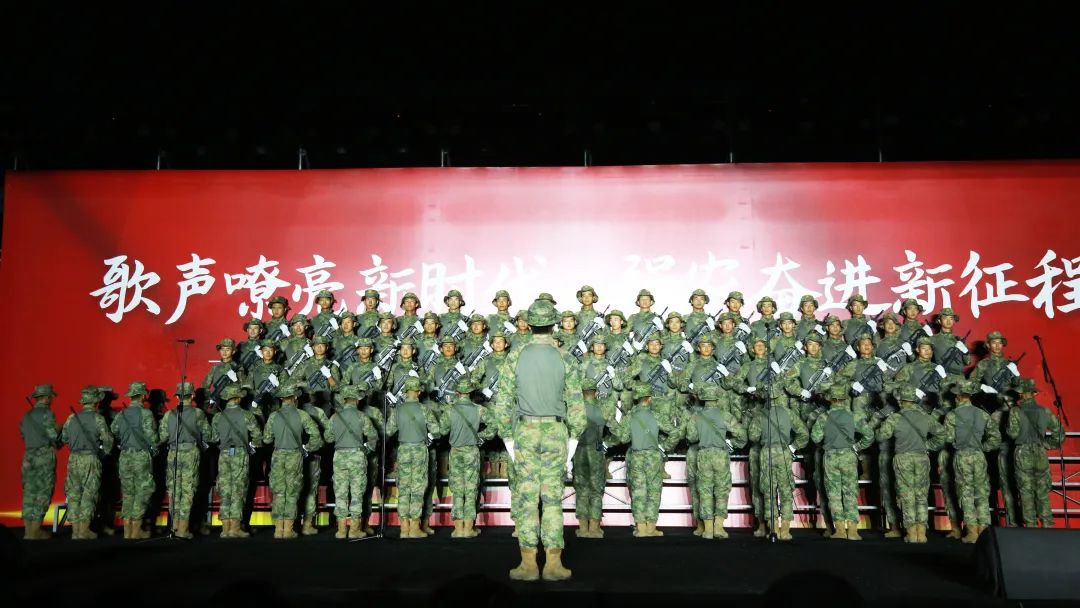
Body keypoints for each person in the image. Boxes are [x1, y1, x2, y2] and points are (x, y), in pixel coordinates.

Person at [494, 298, 586, 582]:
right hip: (556, 432)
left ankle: (529, 564)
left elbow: (502, 403)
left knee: (527, 499)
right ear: (553, 324)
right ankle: (554, 564)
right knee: (553, 500)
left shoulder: (516, 356)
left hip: (525, 431)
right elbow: (577, 406)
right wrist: (572, 441)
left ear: (530, 324)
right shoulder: (565, 357)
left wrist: (508, 439)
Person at [875, 386, 945, 543]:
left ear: (900, 401)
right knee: (921, 495)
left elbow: (880, 436)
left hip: (903, 459)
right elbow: (942, 434)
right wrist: (928, 445)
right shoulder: (925, 417)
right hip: (922, 458)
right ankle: (922, 533)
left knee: (906, 495)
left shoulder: (895, 418)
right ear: (915, 400)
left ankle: (912, 533)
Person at [606, 384, 674, 538]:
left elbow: (624, 438)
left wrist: (613, 424)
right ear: (649, 399)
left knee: (638, 493)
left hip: (636, 456)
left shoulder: (630, 416)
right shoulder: (656, 415)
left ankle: (641, 529)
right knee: (654, 492)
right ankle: (651, 528)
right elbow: (674, 432)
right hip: (653, 457)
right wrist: (665, 447)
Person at [811, 383, 874, 541]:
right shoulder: (854, 416)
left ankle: (839, 530)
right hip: (848, 456)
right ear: (845, 399)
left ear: (830, 399)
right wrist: (857, 447)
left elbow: (815, 437)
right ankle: (853, 532)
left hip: (830, 457)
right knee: (850, 493)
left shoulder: (823, 417)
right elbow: (869, 435)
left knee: (833, 494)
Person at [747, 383, 810, 541]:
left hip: (766, 453)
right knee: (786, 491)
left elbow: (753, 436)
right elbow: (803, 433)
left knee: (769, 492)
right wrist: (793, 447)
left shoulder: (760, 415)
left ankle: (773, 529)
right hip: (783, 452)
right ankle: (786, 531)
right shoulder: (789, 413)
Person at [684, 384, 747, 540]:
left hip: (703, 455)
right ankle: (719, 527)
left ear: (703, 398)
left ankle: (708, 530)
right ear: (717, 398)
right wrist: (731, 443)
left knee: (704, 491)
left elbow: (691, 437)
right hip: (720, 455)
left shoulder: (696, 416)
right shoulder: (725, 415)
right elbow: (742, 435)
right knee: (721, 491)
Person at [263, 383, 324, 539]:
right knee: (291, 493)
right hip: (295, 456)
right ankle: (288, 530)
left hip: (278, 456)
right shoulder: (302, 415)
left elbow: (267, 439)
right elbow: (317, 437)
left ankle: (278, 530)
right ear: (295, 397)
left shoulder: (273, 416)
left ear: (281, 398)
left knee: (278, 492)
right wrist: (307, 448)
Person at [438, 377, 496, 538]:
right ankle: (469, 528)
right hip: (472, 452)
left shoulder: (450, 409)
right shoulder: (479, 409)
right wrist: (482, 436)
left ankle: (458, 529)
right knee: (471, 490)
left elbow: (442, 430)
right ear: (470, 392)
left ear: (457, 392)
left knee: (457, 490)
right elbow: (494, 425)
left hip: (456, 452)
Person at [943, 380, 1001, 543]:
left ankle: (972, 532)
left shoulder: (952, 415)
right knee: (982, 493)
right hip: (979, 456)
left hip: (962, 456)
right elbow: (996, 438)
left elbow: (948, 438)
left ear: (958, 397)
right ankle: (984, 530)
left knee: (966, 493)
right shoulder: (983, 414)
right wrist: (983, 447)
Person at [385, 376, 441, 539]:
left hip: (403, 449)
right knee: (417, 488)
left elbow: (388, 431)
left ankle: (404, 528)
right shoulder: (425, 410)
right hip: (419, 450)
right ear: (419, 392)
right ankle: (415, 528)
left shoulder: (398, 410)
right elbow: (437, 431)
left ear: (406, 391)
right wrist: (429, 436)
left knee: (403, 488)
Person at [1007, 377, 1066, 528]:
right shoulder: (1044, 411)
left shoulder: (1015, 411)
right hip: (1040, 452)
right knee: (1043, 492)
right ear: (1033, 393)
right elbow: (1060, 434)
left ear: (1020, 393)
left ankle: (1031, 527)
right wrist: (1047, 444)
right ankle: (1047, 526)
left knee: (1026, 492)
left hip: (1022, 453)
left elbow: (1013, 434)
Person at [159, 382, 212, 539]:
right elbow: (208, 435)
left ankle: (174, 527)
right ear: (192, 396)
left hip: (173, 453)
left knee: (174, 490)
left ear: (177, 397)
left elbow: (162, 437)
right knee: (188, 490)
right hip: (190, 453)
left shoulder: (168, 415)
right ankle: (183, 529)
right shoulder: (198, 413)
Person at [62, 386, 115, 540]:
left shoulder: (71, 418)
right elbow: (108, 440)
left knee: (74, 494)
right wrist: (104, 454)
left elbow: (64, 438)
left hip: (74, 459)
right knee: (89, 494)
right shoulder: (98, 418)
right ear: (96, 401)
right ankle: (84, 530)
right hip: (91, 458)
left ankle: (75, 531)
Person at [326, 385, 379, 539]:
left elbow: (328, 438)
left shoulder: (335, 417)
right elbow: (373, 437)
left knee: (340, 493)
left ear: (344, 400)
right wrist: (367, 450)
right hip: (357, 456)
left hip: (339, 457)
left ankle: (341, 530)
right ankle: (354, 530)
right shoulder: (362, 417)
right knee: (357, 493)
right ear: (357, 400)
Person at [212, 384, 263, 539]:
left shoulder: (217, 417)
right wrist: (252, 445)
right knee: (238, 490)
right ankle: (235, 528)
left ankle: (225, 529)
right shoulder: (247, 415)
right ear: (237, 399)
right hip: (239, 453)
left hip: (224, 454)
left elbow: (213, 438)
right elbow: (258, 436)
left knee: (225, 490)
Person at [111, 381, 158, 540]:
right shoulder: (146, 414)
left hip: (125, 456)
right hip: (140, 455)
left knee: (128, 492)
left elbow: (114, 430)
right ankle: (136, 531)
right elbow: (152, 437)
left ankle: (127, 531)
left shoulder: (121, 414)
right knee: (142, 491)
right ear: (143, 396)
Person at [571, 376, 615, 539]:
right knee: (596, 490)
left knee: (581, 489)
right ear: (596, 392)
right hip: (596, 450)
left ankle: (583, 529)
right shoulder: (603, 408)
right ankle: (594, 529)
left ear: (581, 393)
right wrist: (606, 444)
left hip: (578, 451)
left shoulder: (574, 410)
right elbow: (618, 432)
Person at [20, 384, 60, 541]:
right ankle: (36, 531)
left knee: (29, 493)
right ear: (46, 398)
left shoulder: (26, 416)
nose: (52, 400)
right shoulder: (47, 413)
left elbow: (23, 435)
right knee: (43, 491)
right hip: (43, 456)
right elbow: (53, 435)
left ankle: (28, 532)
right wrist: (60, 427)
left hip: (28, 456)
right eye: (51, 397)